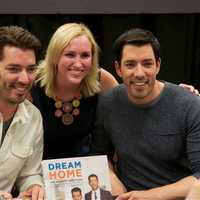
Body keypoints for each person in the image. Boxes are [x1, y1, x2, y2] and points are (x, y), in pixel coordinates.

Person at [91, 28, 200, 200]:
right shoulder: (108, 103)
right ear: (118, 69)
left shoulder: (190, 105)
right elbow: (100, 156)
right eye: (130, 64)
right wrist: (113, 181)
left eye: (147, 64)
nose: (139, 73)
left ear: (158, 65)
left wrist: (150, 196)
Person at [31, 23, 118, 160]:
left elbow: (122, 121)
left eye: (85, 56)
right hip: (38, 171)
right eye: (70, 55)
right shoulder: (32, 81)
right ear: (55, 56)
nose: (78, 64)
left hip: (86, 170)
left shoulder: (102, 80)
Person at [0, 26, 44, 199]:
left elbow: (29, 173)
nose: (25, 79)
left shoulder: (34, 117)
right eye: (14, 69)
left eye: (31, 69)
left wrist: (34, 186)